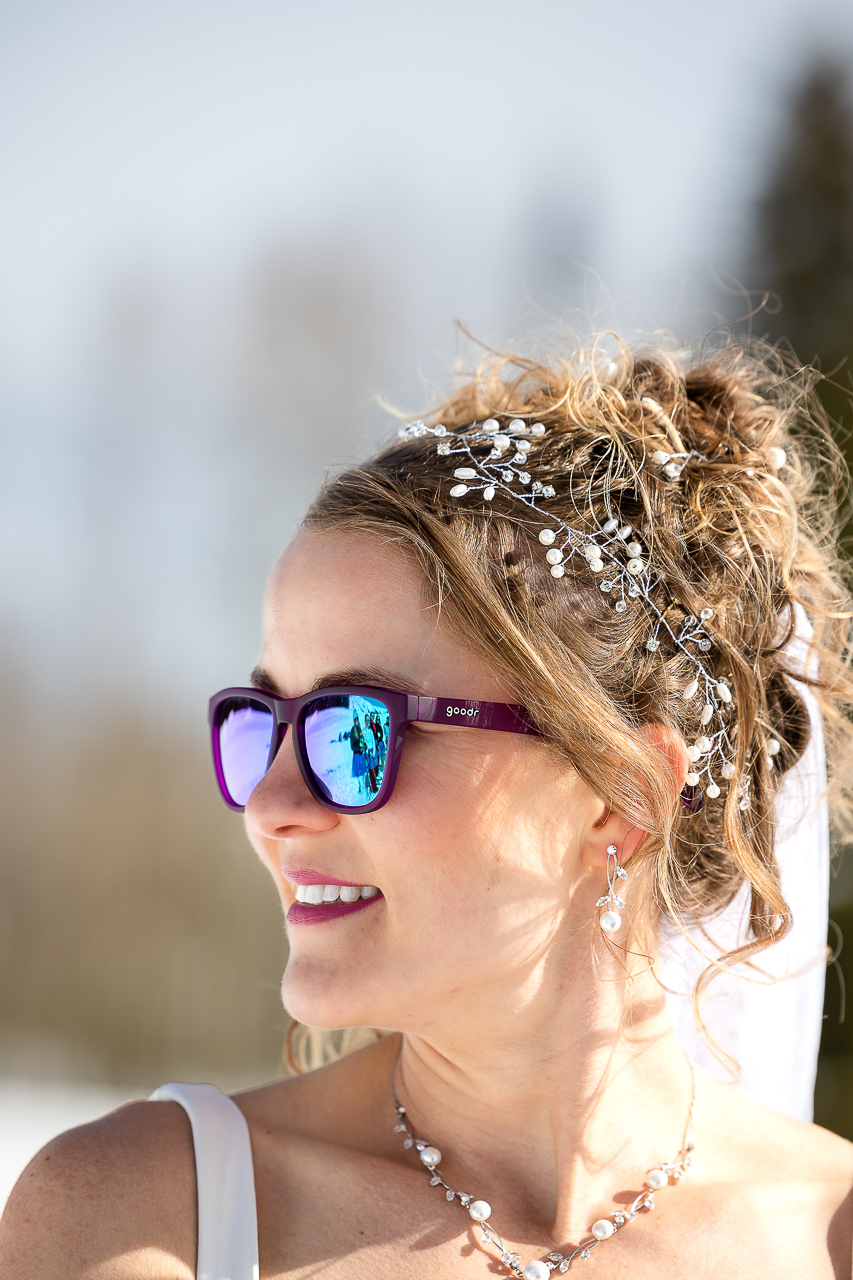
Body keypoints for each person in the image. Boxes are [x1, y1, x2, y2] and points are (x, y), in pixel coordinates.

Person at [3, 336, 853, 1280]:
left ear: (623, 793)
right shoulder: (148, 1218)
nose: (272, 807)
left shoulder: (829, 1235)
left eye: (354, 731)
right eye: (259, 726)